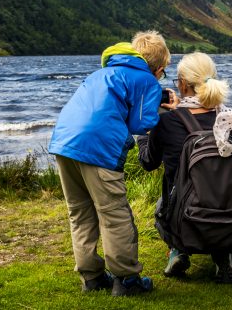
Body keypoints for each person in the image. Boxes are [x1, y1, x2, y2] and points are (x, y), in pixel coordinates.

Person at [48, 31, 174, 297]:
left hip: (64, 143)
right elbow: (142, 124)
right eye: (162, 73)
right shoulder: (147, 81)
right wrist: (164, 108)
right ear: (159, 69)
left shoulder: (102, 74)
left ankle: (91, 277)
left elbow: (114, 103)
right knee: (115, 215)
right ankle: (127, 280)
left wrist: (153, 98)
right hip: (99, 149)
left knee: (80, 213)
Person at [137, 51, 232, 283]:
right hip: (226, 208)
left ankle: (178, 250)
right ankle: (223, 255)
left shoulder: (167, 120)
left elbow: (148, 162)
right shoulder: (228, 119)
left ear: (183, 84)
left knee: (160, 207)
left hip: (184, 213)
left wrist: (145, 134)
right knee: (213, 194)